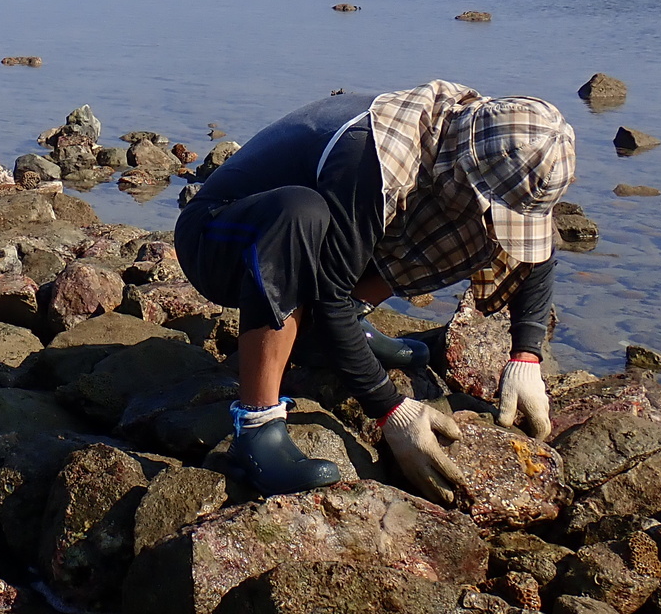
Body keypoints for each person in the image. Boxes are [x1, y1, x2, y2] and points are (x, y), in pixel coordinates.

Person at [173, 81, 574, 503]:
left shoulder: (472, 134)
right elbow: (329, 298)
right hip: (220, 239)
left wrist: (526, 355)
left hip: (325, 244)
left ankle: (319, 339)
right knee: (300, 214)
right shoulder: (372, 154)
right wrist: (391, 408)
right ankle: (256, 430)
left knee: (481, 227)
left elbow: (535, 249)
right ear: (467, 169)